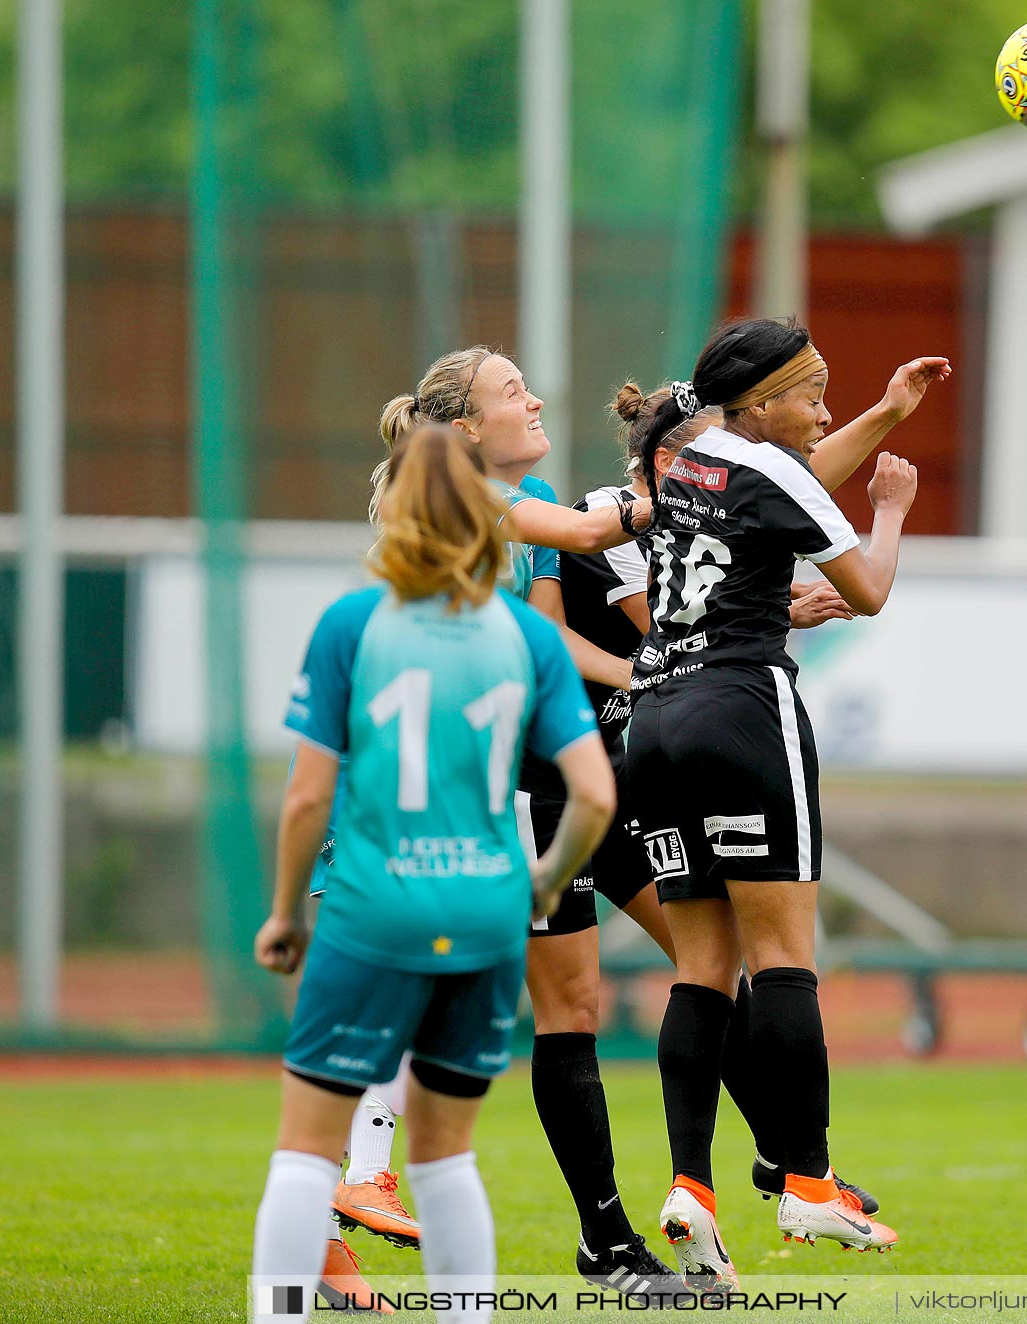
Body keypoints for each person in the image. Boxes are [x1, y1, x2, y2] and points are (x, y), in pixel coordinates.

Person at [249, 424, 615, 1324]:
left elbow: (305, 799)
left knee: (304, 1150)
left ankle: (281, 1312)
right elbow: (595, 795)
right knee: (447, 1158)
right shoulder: (525, 637)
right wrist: (542, 882)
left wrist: (286, 912)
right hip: (487, 913)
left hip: (374, 908)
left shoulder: (353, 622)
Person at [514, 382, 864, 1297]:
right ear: (667, 461)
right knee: (566, 1006)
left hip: (620, 779)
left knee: (708, 973)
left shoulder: (598, 512)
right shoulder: (578, 518)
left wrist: (770, 616)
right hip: (550, 786)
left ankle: (768, 1164)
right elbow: (581, 643)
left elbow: (788, 493)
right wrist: (660, 667)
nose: (538, 399)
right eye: (512, 390)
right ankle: (614, 1231)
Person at [625, 320, 946, 1289]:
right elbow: (870, 591)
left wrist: (888, 411)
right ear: (758, 404)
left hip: (656, 719)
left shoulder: (683, 456)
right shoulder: (776, 469)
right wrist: (890, 507)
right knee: (782, 959)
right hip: (741, 707)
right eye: (811, 394)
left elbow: (791, 489)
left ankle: (693, 1184)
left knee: (702, 967)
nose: (825, 411)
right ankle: (808, 1178)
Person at [322, 345, 646, 1284]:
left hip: (481, 784)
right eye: (512, 389)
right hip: (422, 787)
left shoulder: (526, 503)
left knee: (435, 1011)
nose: (536, 395)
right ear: (464, 429)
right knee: (425, 1010)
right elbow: (587, 538)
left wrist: (636, 674)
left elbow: (544, 630)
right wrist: (703, 487)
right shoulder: (460, 488)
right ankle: (358, 1194)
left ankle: (337, 1228)